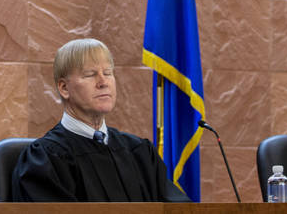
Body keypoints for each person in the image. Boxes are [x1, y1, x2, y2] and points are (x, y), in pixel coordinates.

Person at [12, 38, 182, 201]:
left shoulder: (139, 152)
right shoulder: (46, 159)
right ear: (64, 88)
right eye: (90, 75)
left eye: (108, 73)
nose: (103, 82)